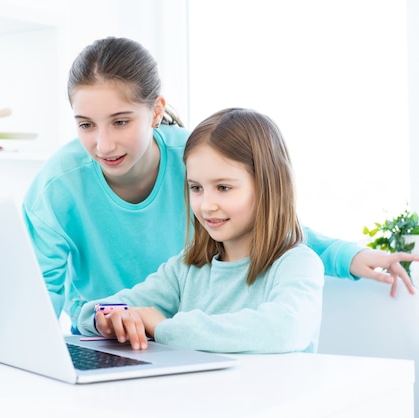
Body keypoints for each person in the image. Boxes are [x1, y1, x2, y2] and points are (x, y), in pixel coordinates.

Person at [21, 36, 417, 332]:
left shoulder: (197, 161)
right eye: (85, 125)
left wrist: (345, 255)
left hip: (183, 338)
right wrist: (100, 321)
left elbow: (264, 222)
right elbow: (39, 296)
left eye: (121, 121)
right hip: (116, 338)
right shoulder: (58, 186)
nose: (102, 144)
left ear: (156, 111)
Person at [77, 108, 324, 353]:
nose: (206, 205)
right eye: (196, 188)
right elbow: (107, 308)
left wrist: (164, 329)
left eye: (224, 188)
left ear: (268, 187)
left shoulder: (297, 264)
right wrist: (105, 319)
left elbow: (286, 329)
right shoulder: (187, 269)